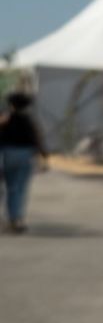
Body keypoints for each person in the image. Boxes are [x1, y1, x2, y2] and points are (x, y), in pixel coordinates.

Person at [0, 92, 49, 234]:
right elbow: (37, 137)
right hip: (26, 154)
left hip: (8, 154)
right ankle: (16, 218)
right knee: (20, 188)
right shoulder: (29, 121)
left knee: (10, 188)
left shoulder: (5, 119)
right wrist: (43, 155)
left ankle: (12, 219)